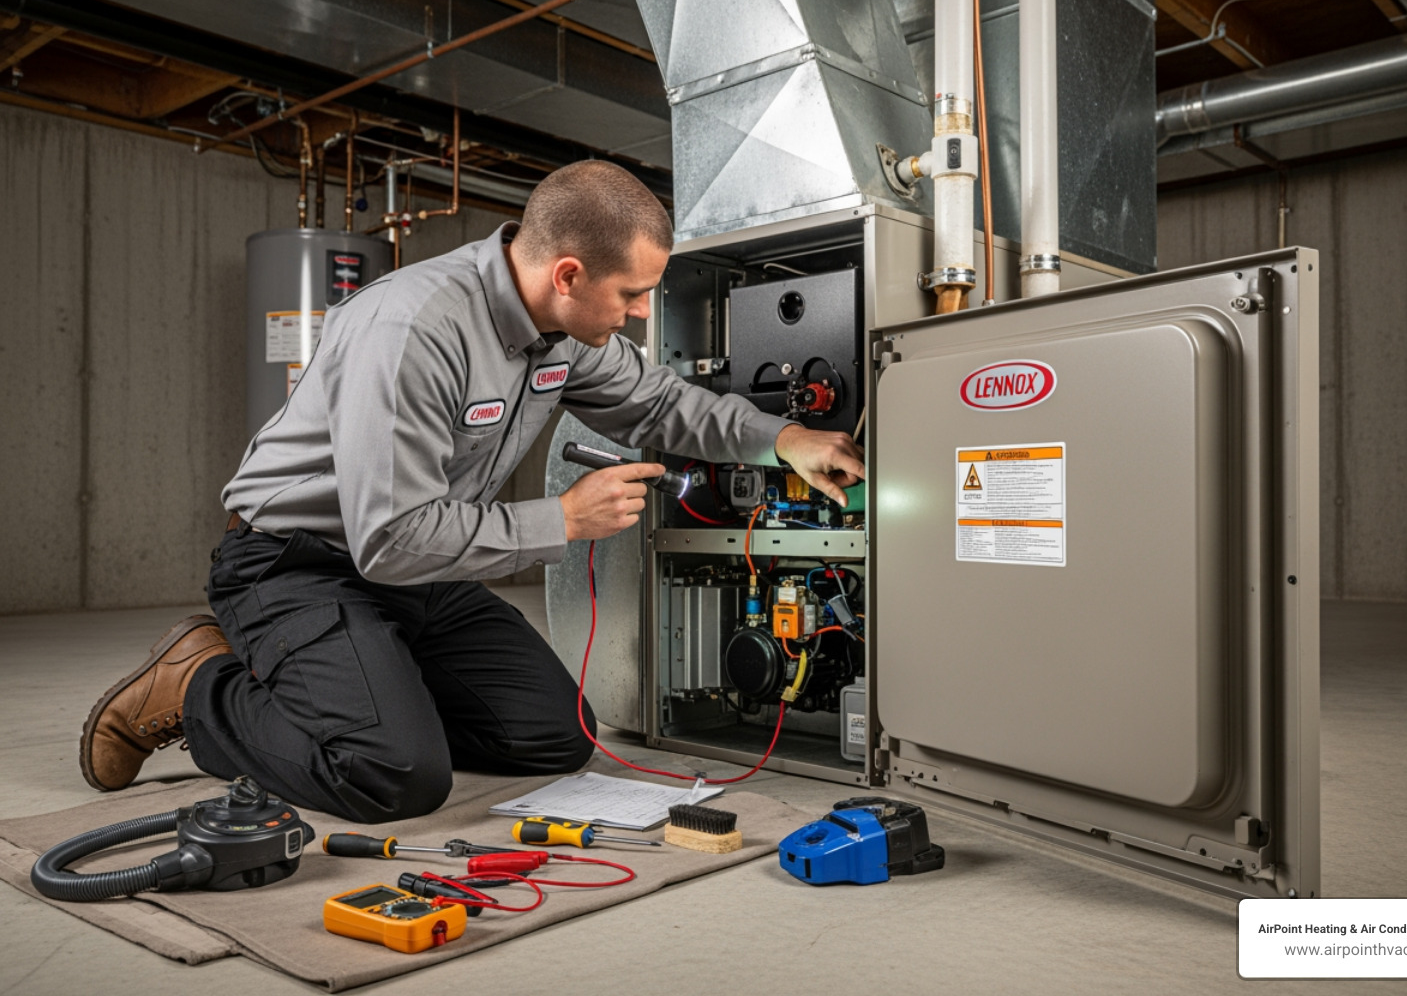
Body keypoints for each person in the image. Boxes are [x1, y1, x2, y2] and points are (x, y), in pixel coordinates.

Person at [79, 160, 864, 823]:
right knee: (392, 775)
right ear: (568, 274)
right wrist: (561, 518)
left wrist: (783, 439)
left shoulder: (563, 332)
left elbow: (660, 402)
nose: (634, 317)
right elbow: (388, 537)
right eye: (630, 296)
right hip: (300, 563)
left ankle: (369, 684)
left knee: (557, 736)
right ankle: (198, 687)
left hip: (424, 572)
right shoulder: (415, 330)